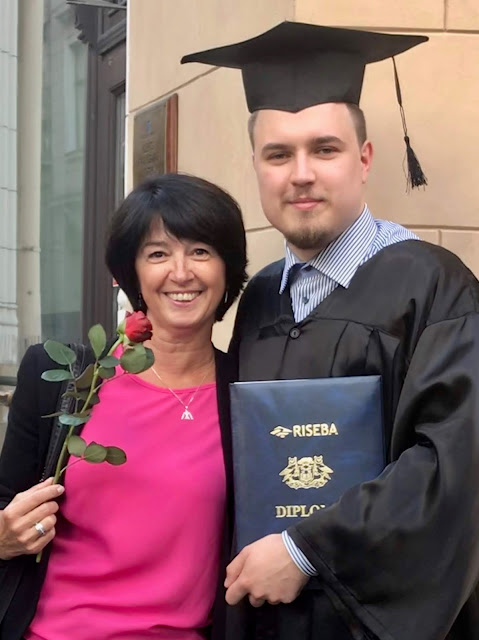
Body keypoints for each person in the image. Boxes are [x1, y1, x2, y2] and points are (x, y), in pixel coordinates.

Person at [182, 22, 479, 640]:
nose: (301, 174)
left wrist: (305, 549)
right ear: (257, 166)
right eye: (278, 154)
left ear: (363, 159)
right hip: (266, 615)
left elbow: (456, 463)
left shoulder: (435, 286)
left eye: (324, 149)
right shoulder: (260, 296)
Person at [0, 173, 247, 640]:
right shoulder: (65, 379)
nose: (181, 272)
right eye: (158, 254)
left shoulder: (248, 394)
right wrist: (4, 535)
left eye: (201, 251)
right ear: (131, 273)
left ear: (227, 268)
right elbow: (5, 500)